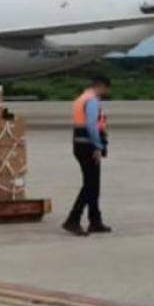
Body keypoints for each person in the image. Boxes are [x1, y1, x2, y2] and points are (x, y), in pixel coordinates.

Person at [63, 74, 112, 236]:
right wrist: (98, 146)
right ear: (101, 86)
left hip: (79, 144)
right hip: (88, 146)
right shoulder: (91, 100)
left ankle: (95, 220)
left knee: (93, 185)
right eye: (105, 90)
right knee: (90, 185)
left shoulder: (81, 99)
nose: (104, 93)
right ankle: (73, 219)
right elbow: (92, 125)